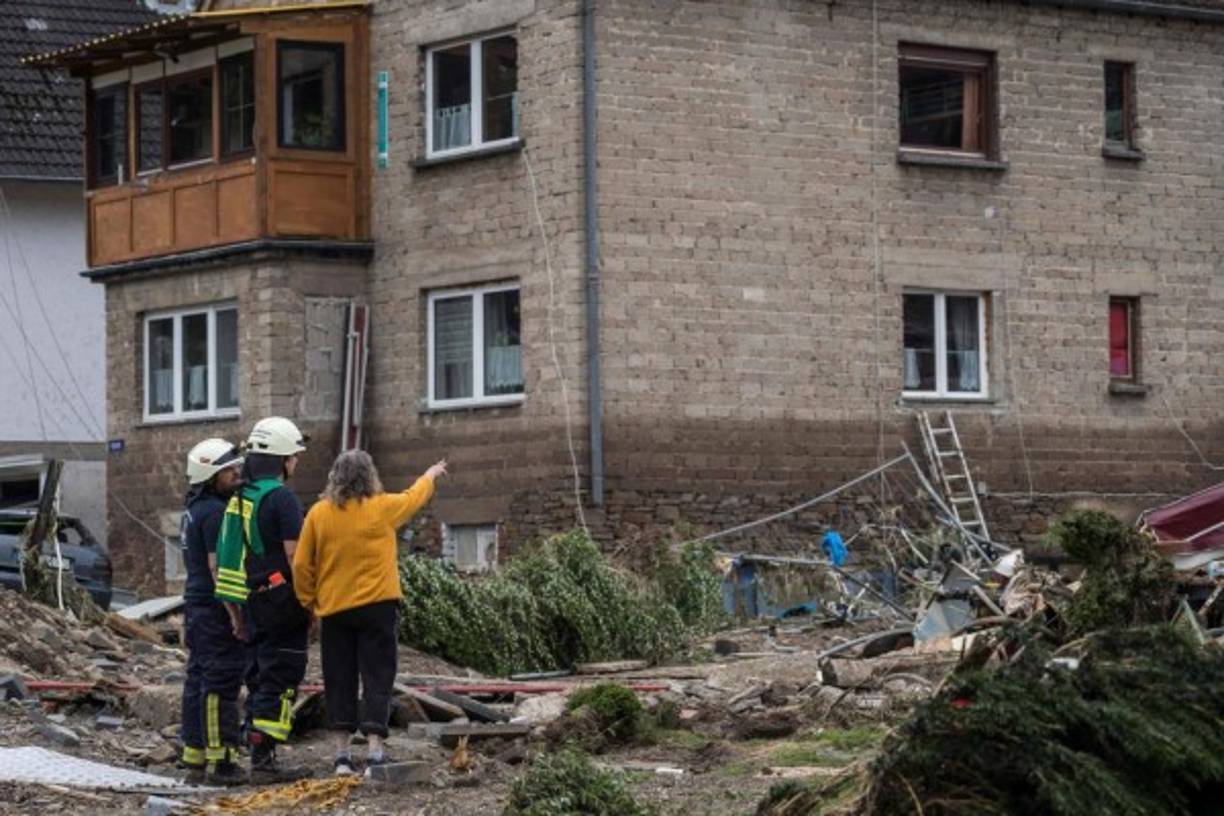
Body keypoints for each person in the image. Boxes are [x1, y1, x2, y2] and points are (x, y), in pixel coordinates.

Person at [293, 450, 447, 776]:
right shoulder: (384, 508)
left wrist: (309, 602)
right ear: (370, 476)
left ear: (335, 477)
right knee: (377, 675)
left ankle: (341, 756)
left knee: (339, 678)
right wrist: (431, 473)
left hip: (335, 609)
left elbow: (302, 565)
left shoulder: (319, 515)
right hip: (378, 608)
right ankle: (375, 752)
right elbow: (414, 496)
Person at [214, 416, 313, 783]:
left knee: (258, 674)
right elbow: (294, 557)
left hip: (252, 600)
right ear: (282, 459)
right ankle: (265, 762)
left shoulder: (240, 498)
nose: (296, 462)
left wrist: (236, 614)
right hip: (283, 600)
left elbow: (227, 560)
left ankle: (257, 748)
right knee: (282, 674)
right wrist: (311, 599)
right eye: (294, 456)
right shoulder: (282, 498)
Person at [179, 438, 247, 786]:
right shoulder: (217, 513)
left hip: (196, 605)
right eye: (228, 469)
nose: (236, 472)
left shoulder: (193, 509)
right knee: (219, 681)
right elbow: (217, 568)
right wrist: (236, 616)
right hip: (213, 608)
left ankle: (194, 753)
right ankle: (222, 760)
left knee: (197, 677)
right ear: (210, 475)